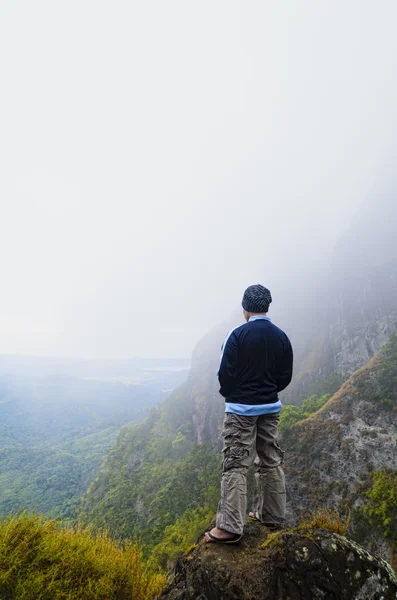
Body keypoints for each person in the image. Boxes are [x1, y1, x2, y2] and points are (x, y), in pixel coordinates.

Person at [204, 284, 293, 544]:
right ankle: (272, 516)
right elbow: (284, 376)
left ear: (245, 307)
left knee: (235, 462)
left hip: (241, 410)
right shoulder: (281, 336)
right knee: (270, 458)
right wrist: (267, 392)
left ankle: (230, 527)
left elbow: (224, 374)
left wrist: (236, 395)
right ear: (266, 307)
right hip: (270, 407)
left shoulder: (237, 334)